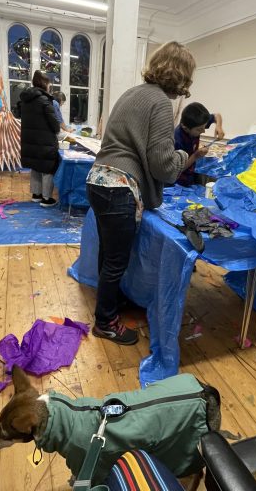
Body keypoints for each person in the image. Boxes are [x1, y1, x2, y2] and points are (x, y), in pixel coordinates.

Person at [86, 41, 195, 345]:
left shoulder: (132, 93)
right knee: (116, 260)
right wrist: (185, 157)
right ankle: (105, 322)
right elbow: (162, 165)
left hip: (99, 179)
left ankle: (108, 304)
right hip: (119, 186)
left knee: (109, 255)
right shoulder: (159, 101)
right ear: (181, 76)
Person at [19, 70, 61, 207]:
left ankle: (36, 195)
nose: (50, 86)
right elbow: (54, 123)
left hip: (30, 140)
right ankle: (47, 198)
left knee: (35, 167)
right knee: (48, 168)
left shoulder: (26, 100)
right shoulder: (44, 100)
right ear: (44, 83)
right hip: (44, 141)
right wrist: (57, 130)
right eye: (49, 83)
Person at [174, 102, 225, 186]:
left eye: (204, 127)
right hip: (178, 180)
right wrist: (196, 155)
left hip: (191, 172)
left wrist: (219, 127)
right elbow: (177, 169)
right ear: (185, 128)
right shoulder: (177, 140)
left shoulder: (197, 122)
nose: (203, 131)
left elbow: (217, 115)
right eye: (199, 129)